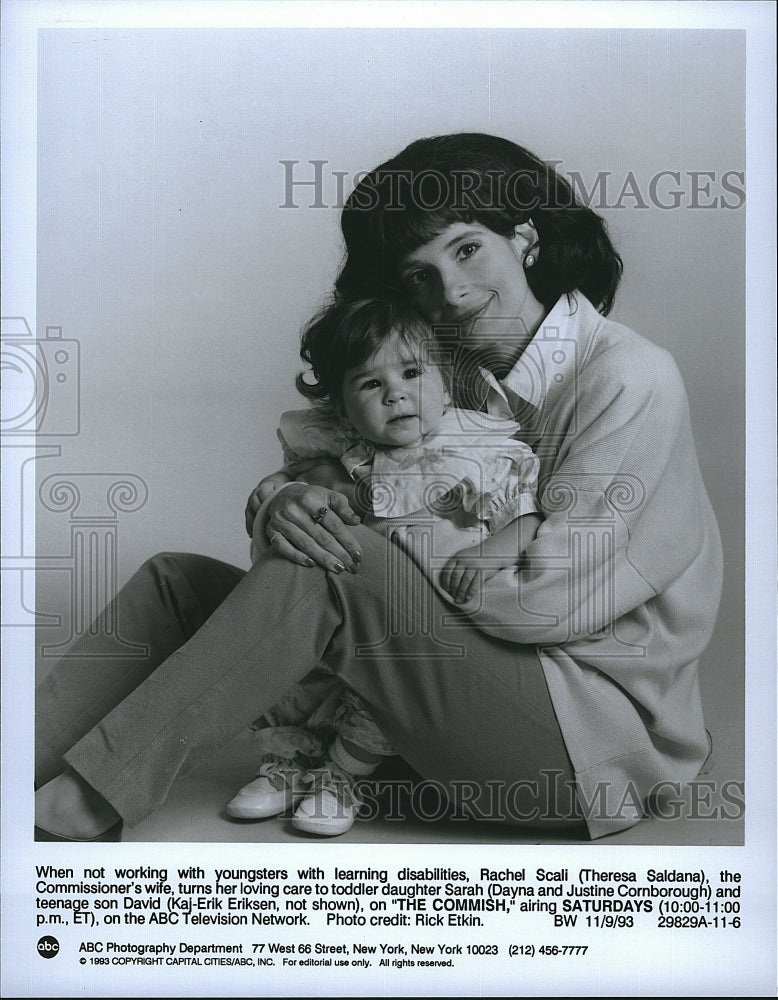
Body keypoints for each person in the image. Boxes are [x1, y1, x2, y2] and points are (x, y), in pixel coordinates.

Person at [34, 132, 722, 843]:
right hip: (451, 698)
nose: (449, 292)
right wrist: (292, 501)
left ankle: (85, 806)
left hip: (582, 743)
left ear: (525, 237)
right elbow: (342, 464)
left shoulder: (628, 378)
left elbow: (547, 604)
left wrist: (370, 539)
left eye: (466, 249)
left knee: (337, 571)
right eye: (417, 276)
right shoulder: (444, 371)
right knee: (177, 585)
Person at [226, 296, 542, 835]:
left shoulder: (474, 448)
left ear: (443, 380)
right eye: (369, 385)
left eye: (412, 373)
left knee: (377, 702)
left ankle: (342, 776)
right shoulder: (346, 455)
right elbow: (302, 489)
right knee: (297, 673)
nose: (395, 392)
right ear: (343, 406)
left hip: (424, 620)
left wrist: (491, 551)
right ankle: (289, 764)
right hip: (345, 612)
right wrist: (280, 487)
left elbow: (528, 515)